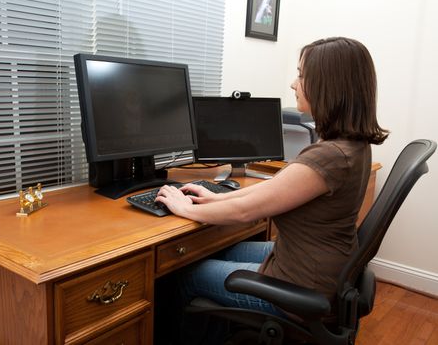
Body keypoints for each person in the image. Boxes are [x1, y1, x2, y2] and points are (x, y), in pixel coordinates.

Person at [155, 36, 389, 343]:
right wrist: (215, 196)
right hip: (319, 267)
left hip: (304, 285)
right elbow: (269, 191)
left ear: (328, 85)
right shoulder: (352, 146)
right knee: (223, 249)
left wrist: (186, 209)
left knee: (187, 276)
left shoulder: (329, 156)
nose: (294, 84)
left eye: (302, 75)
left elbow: (247, 211)